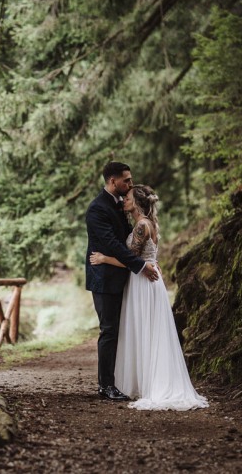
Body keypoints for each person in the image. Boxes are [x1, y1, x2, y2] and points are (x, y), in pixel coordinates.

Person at [90, 185, 208, 410]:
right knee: (149, 331)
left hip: (143, 282)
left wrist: (104, 258)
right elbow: (147, 257)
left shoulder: (142, 226)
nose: (124, 200)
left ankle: (152, 384)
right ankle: (146, 380)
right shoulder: (147, 224)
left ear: (138, 203)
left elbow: (130, 259)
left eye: (129, 198)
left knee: (145, 330)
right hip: (147, 280)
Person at [85, 162, 159, 401]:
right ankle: (105, 385)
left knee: (123, 331)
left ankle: (124, 381)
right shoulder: (97, 209)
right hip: (105, 279)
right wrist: (140, 266)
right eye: (126, 180)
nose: (130, 184)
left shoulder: (122, 206)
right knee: (109, 330)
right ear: (112, 181)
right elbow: (111, 244)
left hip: (126, 278)